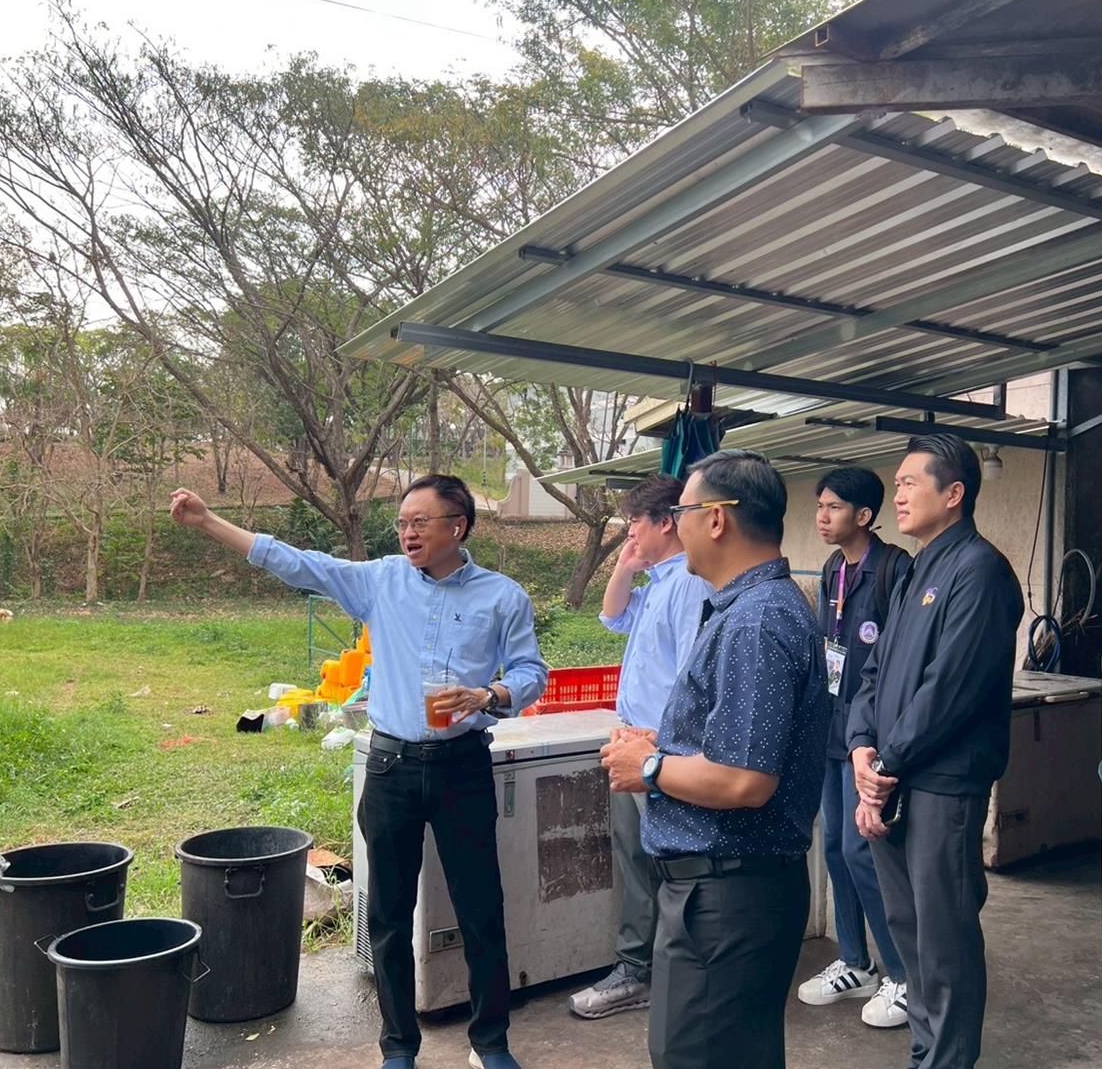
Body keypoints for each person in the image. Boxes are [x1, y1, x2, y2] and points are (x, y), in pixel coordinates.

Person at [170, 476, 547, 1069]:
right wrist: (208, 522)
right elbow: (297, 563)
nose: (407, 533)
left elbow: (531, 672)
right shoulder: (380, 581)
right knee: (389, 918)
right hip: (392, 768)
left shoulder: (503, 597)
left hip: (463, 768)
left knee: (481, 911)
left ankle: (491, 1043)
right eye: (402, 522)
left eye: (420, 521)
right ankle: (399, 1047)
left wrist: (489, 694)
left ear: (458, 526)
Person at [600, 450, 827, 1069]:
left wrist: (649, 768)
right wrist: (663, 743)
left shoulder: (756, 620)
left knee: (696, 1055)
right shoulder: (750, 608)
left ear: (718, 519)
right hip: (726, 890)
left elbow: (745, 779)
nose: (676, 525)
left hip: (728, 895)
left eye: (682, 512)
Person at [846, 436, 1024, 1069]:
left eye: (908, 483)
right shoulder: (915, 570)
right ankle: (926, 1053)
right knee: (908, 933)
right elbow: (873, 674)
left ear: (954, 494)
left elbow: (950, 689)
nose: (896, 495)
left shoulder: (979, 570)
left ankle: (947, 1059)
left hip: (942, 784)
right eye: (896, 484)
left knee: (943, 939)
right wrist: (861, 746)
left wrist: (882, 769)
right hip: (892, 777)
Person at [570, 475, 710, 1020]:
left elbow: (690, 677)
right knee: (636, 859)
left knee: (666, 865)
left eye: (635, 523)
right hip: (635, 744)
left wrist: (659, 743)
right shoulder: (658, 582)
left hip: (661, 749)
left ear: (666, 523)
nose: (629, 533)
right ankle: (640, 969)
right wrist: (625, 568)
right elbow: (612, 618)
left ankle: (655, 973)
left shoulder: (689, 584)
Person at [798, 468, 912, 1028]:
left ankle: (904, 973)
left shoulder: (894, 569)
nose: (822, 517)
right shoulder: (832, 570)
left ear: (864, 516)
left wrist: (881, 740)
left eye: (834, 507)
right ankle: (855, 960)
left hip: (870, 737)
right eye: (820, 506)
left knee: (863, 851)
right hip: (831, 728)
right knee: (835, 849)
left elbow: (902, 661)